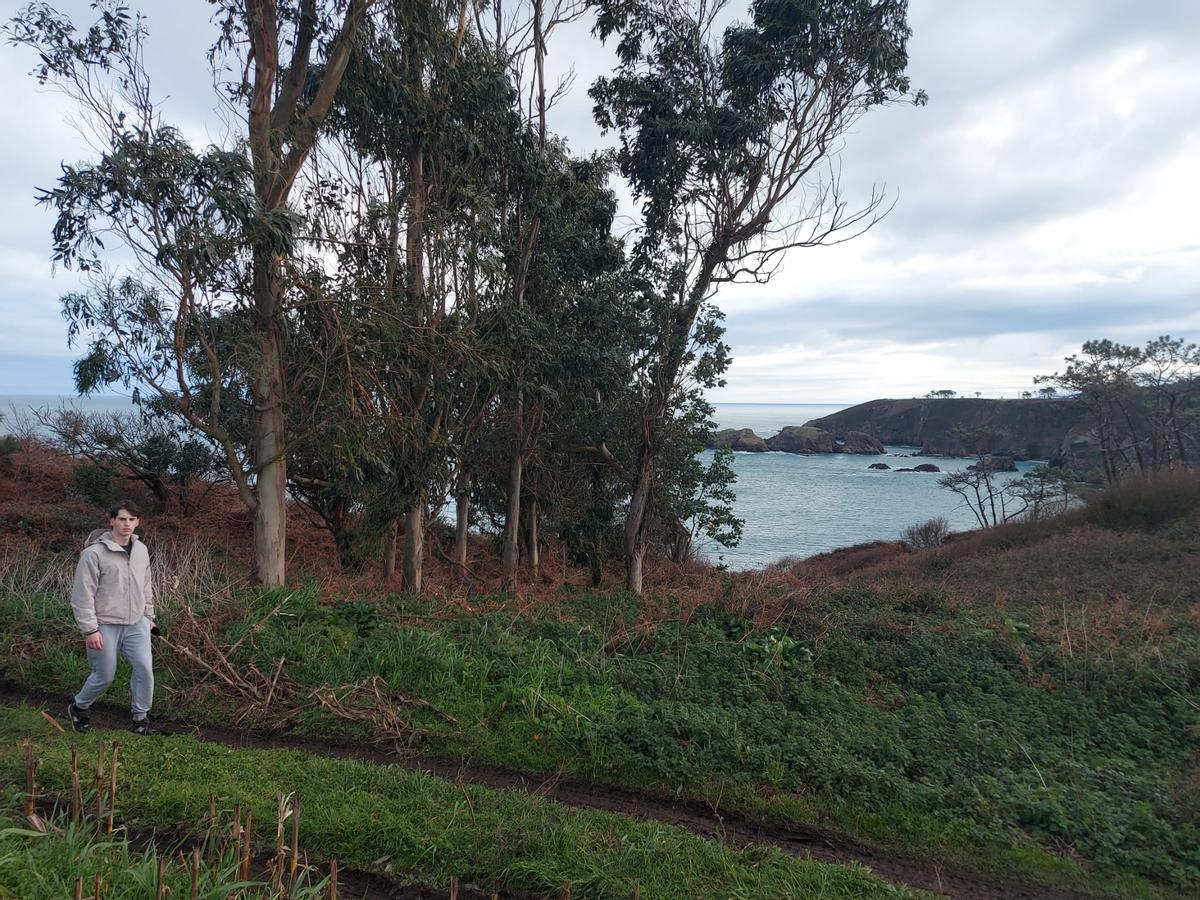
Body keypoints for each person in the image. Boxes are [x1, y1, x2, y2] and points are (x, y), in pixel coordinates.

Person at [67, 499, 160, 735]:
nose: (127, 524)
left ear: (137, 522)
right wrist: (90, 629)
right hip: (104, 624)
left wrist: (149, 616)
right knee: (105, 675)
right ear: (111, 522)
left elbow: (146, 585)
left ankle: (140, 719)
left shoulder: (141, 550)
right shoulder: (94, 553)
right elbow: (82, 594)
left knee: (144, 670)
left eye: (131, 519)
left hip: (136, 623)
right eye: (122, 519)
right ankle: (80, 706)